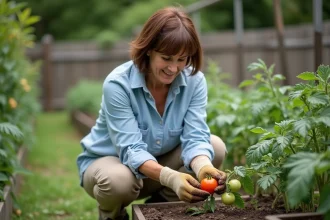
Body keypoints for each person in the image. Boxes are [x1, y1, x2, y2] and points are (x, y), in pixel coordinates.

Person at [76, 6, 227, 220]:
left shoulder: (194, 81)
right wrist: (172, 177)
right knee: (118, 181)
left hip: (157, 168)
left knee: (215, 148)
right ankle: (112, 216)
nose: (173, 68)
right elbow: (131, 149)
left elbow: (195, 135)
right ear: (148, 50)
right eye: (166, 58)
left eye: (182, 59)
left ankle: (157, 209)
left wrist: (203, 167)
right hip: (111, 162)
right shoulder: (118, 84)